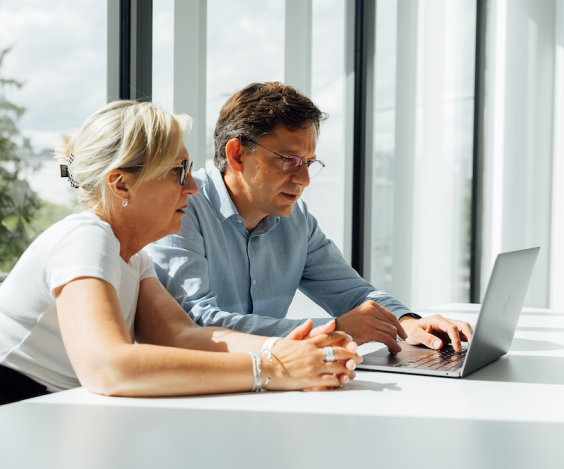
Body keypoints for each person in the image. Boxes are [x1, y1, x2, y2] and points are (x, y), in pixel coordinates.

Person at [0, 100, 360, 406]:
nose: (192, 187)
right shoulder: (85, 238)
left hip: (44, 411)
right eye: (178, 172)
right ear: (121, 184)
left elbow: (183, 337)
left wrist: (288, 349)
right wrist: (272, 368)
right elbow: (107, 367)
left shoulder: (133, 257)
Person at [147, 82, 473, 353]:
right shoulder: (181, 207)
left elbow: (353, 293)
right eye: (289, 160)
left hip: (273, 385)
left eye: (308, 162)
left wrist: (408, 322)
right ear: (237, 154)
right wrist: (333, 330)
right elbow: (195, 323)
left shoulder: (295, 218)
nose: (303, 180)